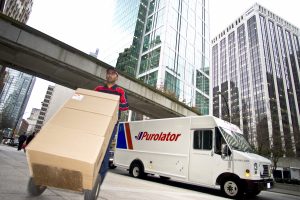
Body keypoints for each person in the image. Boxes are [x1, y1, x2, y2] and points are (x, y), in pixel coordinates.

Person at [94, 66, 129, 184]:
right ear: (106, 75)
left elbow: (125, 107)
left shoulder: (120, 91)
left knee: (105, 149)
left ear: (116, 77)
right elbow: (92, 102)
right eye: (108, 73)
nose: (110, 75)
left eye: (113, 74)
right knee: (93, 146)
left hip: (111, 124)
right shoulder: (98, 89)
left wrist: (113, 103)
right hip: (97, 121)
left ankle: (99, 180)